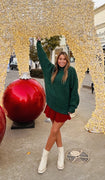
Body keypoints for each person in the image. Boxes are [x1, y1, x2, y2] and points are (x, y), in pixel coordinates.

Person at [36, 38, 79, 174]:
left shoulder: (71, 72)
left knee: (54, 131)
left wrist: (72, 107)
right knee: (56, 132)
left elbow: (74, 90)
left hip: (63, 108)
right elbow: (42, 58)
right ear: (57, 59)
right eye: (60, 59)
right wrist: (38, 43)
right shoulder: (51, 70)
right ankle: (61, 153)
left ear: (67, 61)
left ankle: (45, 156)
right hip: (52, 106)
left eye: (64, 59)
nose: (61, 61)